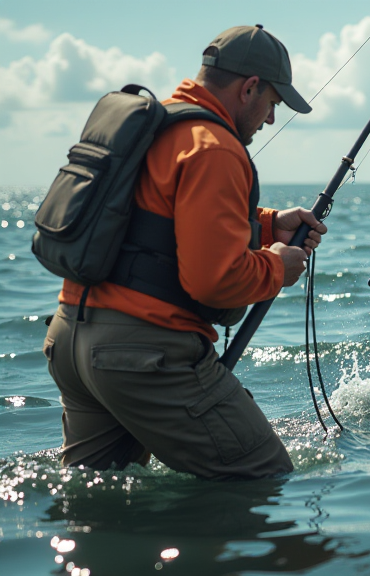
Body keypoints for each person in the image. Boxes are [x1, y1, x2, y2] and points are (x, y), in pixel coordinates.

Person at [42, 25, 328, 479]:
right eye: (272, 103)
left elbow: (151, 219)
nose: (271, 119)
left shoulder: (155, 126)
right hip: (140, 354)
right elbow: (215, 280)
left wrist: (270, 223)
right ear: (249, 87)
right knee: (264, 475)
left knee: (98, 502)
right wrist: (278, 265)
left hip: (69, 342)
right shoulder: (216, 148)